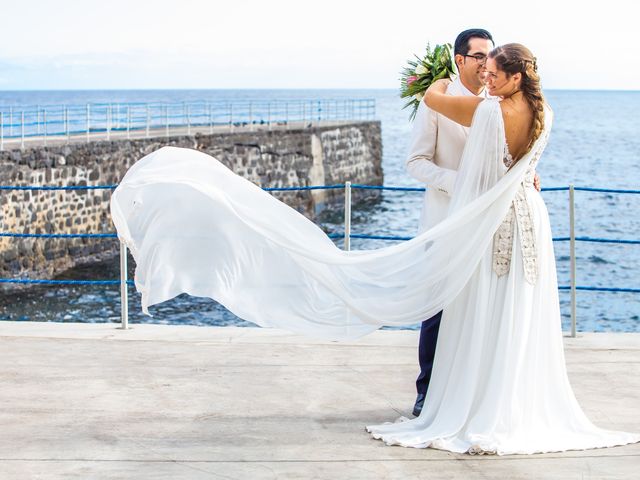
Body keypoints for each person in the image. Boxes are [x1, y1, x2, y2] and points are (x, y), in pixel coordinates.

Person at [110, 44, 639, 455]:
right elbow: (519, 168)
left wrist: (438, 73)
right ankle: (517, 404)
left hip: (491, 226)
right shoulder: (546, 115)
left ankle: (477, 407)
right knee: (515, 313)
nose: (487, 77)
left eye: (495, 71)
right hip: (530, 223)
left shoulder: (485, 112)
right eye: (483, 68)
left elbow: (433, 99)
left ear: (515, 75)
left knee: (482, 313)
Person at [407, 28, 495, 417]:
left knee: (481, 310)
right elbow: (416, 162)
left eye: (489, 56)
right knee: (438, 309)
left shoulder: (499, 101)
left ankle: (470, 394)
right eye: (478, 56)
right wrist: (459, 184)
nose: (485, 63)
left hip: (487, 224)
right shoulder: (437, 102)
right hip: (445, 221)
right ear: (460, 60)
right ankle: (426, 392)